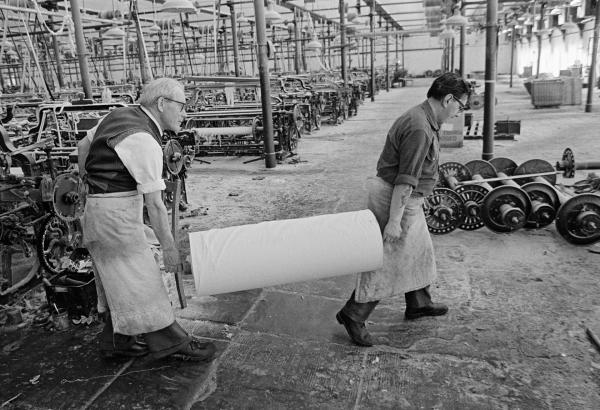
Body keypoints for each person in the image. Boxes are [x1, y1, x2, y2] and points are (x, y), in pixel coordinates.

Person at [77, 77, 215, 361]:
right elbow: (154, 203)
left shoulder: (117, 115)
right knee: (142, 277)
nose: (184, 113)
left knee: (119, 278)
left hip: (98, 210)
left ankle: (119, 343)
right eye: (181, 106)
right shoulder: (143, 140)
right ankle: (172, 342)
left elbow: (82, 146)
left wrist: (88, 182)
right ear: (162, 104)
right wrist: (170, 248)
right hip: (115, 217)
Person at [336, 73, 471, 347]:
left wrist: (428, 191)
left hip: (408, 198)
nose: (459, 111)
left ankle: (419, 303)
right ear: (448, 99)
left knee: (419, 251)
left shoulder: (425, 118)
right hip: (395, 198)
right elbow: (405, 179)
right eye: (460, 105)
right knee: (388, 259)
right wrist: (394, 221)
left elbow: (420, 171)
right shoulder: (419, 127)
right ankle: (353, 314)